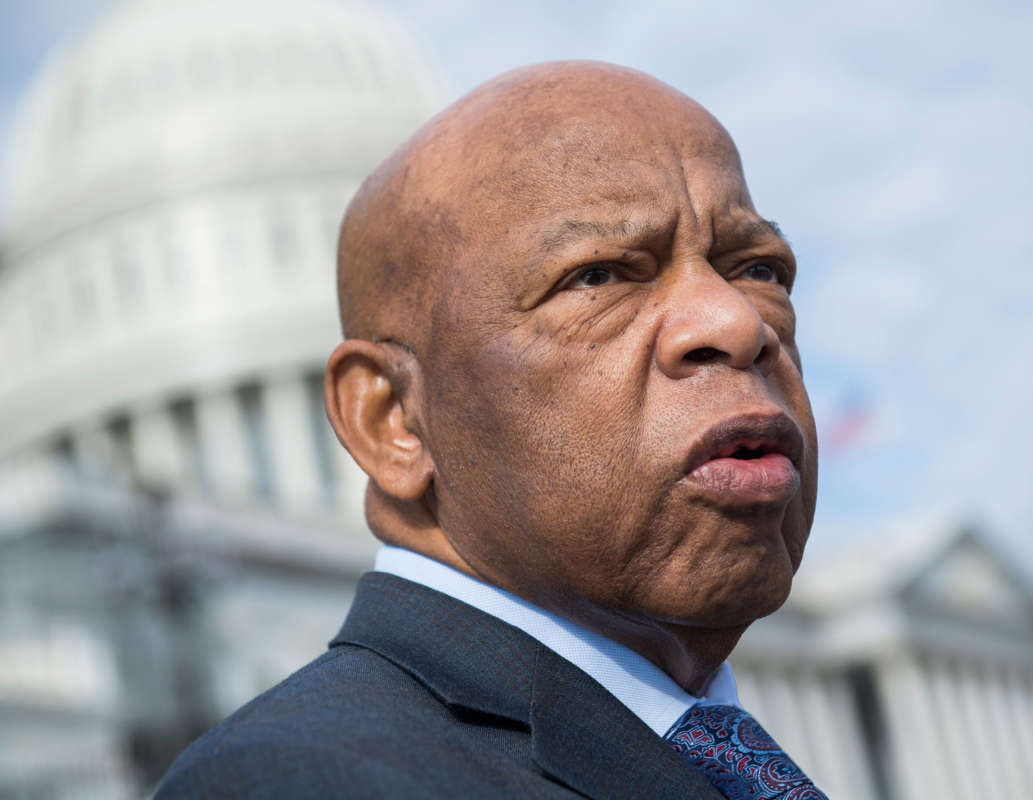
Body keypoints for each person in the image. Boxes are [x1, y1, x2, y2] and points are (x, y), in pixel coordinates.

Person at [157, 60, 824, 799]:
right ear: (392, 421)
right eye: (598, 276)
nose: (738, 323)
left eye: (759, 268)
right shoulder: (301, 781)